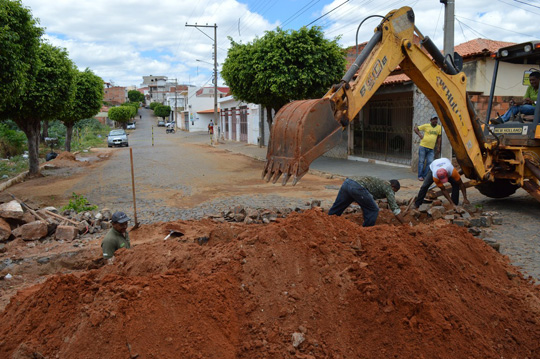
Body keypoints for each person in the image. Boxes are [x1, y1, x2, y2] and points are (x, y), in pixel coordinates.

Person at [328, 176, 404, 227]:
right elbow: (395, 209)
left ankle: (327, 223)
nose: (393, 193)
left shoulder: (381, 182)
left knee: (338, 206)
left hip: (347, 182)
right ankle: (366, 231)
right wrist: (405, 224)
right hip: (357, 187)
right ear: (393, 186)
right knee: (373, 210)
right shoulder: (388, 187)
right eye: (394, 191)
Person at [414, 115, 442, 181]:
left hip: (431, 148)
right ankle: (420, 176)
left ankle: (425, 175)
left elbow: (439, 138)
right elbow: (416, 128)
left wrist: (438, 147)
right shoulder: (426, 125)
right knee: (421, 162)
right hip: (423, 146)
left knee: (430, 162)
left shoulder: (439, 128)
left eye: (436, 119)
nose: (435, 120)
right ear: (431, 120)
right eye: (434, 119)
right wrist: (420, 135)